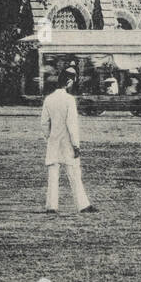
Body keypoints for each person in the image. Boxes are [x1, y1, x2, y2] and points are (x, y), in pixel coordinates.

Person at [40, 68, 97, 214]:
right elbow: (72, 125)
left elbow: (44, 123)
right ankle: (83, 205)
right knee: (74, 174)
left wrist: (49, 137)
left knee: (53, 175)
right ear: (69, 81)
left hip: (53, 141)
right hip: (67, 142)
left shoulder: (49, 99)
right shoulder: (69, 100)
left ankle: (51, 206)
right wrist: (76, 145)